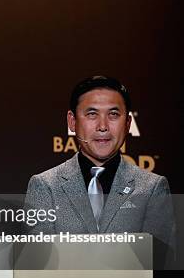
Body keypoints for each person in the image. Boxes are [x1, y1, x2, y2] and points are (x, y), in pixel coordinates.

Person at [25, 75, 174, 264]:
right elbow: (38, 266)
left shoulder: (152, 188)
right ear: (72, 121)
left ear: (128, 123)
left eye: (113, 115)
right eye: (92, 114)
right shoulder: (44, 186)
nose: (103, 126)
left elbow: (160, 267)